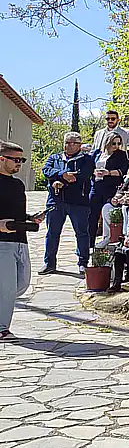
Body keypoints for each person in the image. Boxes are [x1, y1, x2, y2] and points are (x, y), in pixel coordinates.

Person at [0, 141, 41, 339]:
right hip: (1, 242)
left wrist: (30, 218)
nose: (19, 163)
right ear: (1, 159)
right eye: (15, 159)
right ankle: (2, 329)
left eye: (21, 160)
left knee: (21, 284)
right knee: (7, 287)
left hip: (20, 240)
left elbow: (17, 212)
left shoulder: (18, 184)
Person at [40, 131, 95, 275]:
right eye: (67, 143)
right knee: (52, 233)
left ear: (80, 145)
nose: (69, 146)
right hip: (56, 201)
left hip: (78, 202)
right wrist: (61, 175)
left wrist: (61, 182)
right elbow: (46, 170)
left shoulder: (87, 159)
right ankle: (49, 263)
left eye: (73, 143)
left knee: (82, 233)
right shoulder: (55, 157)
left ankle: (83, 263)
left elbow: (82, 176)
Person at [89, 132, 128, 243]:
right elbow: (90, 167)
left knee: (108, 211)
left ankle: (108, 238)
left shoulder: (121, 154)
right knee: (91, 215)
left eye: (118, 143)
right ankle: (89, 243)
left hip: (110, 187)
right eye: (113, 143)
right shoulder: (97, 153)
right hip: (96, 186)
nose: (116, 146)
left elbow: (123, 170)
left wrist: (108, 172)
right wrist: (94, 172)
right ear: (107, 142)